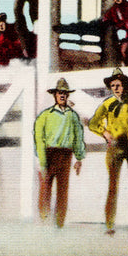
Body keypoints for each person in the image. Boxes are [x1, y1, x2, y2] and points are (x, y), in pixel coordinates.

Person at [88, 67, 128, 235]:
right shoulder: (107, 104)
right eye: (113, 85)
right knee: (112, 186)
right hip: (115, 147)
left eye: (119, 84)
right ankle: (109, 225)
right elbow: (93, 122)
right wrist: (104, 132)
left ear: (125, 85)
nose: (117, 88)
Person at [34, 78, 85, 228]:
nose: (62, 96)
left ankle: (59, 225)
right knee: (45, 189)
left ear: (67, 95)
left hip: (65, 154)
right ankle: (44, 221)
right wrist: (42, 159)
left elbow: (78, 136)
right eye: (59, 93)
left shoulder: (73, 116)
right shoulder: (46, 115)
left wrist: (79, 157)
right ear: (55, 95)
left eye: (64, 93)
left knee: (62, 191)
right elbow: (38, 137)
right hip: (49, 153)